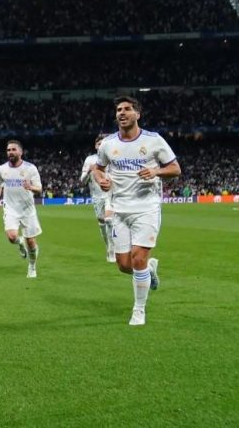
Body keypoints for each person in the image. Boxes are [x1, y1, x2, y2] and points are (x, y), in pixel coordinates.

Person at [93, 96, 181, 326]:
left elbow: (175, 168)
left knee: (138, 257)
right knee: (124, 265)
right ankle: (148, 271)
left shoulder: (154, 140)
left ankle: (139, 310)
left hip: (146, 208)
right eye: (119, 110)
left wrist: (156, 172)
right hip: (119, 210)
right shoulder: (108, 144)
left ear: (137, 114)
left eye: (127, 109)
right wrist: (102, 180)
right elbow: (98, 169)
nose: (122, 113)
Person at [0, 140, 43, 278]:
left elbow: (39, 188)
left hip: (27, 210)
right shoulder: (1, 169)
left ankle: (32, 266)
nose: (10, 152)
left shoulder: (30, 168)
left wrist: (30, 187)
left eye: (14, 149)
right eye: (8, 150)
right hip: (10, 209)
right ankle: (20, 243)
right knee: (12, 236)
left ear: (21, 152)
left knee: (31, 242)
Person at [79, 134, 115, 262]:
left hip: (111, 193)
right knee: (102, 223)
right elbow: (82, 181)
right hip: (97, 196)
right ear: (96, 146)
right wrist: (89, 171)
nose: (102, 146)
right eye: (100, 144)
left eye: (104, 143)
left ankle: (112, 249)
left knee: (109, 220)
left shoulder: (113, 157)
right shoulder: (90, 160)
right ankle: (108, 246)